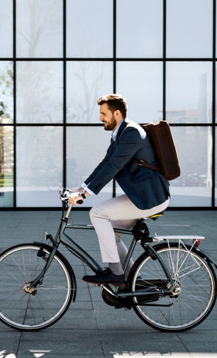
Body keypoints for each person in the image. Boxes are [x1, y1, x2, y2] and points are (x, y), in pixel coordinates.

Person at [68, 94, 170, 286]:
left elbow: (113, 166)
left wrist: (84, 195)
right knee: (112, 235)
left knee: (97, 213)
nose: (100, 118)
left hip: (151, 197)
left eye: (103, 114)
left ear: (117, 113)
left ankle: (116, 273)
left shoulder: (131, 133)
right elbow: (105, 163)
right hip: (141, 196)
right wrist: (81, 188)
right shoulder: (121, 134)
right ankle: (132, 281)